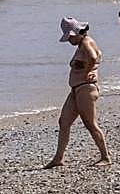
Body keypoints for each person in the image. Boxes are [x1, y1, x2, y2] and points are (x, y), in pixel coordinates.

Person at [44, 18, 111, 169]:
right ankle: (58, 158)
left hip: (86, 88)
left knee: (90, 124)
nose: (69, 41)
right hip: (76, 88)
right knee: (64, 121)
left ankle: (105, 157)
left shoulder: (86, 42)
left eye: (70, 37)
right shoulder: (82, 43)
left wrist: (88, 72)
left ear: (77, 33)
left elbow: (93, 57)